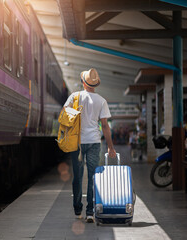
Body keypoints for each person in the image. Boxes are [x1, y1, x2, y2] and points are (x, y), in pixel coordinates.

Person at [63, 68, 116, 223]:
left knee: (77, 177)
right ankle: (90, 212)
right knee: (93, 177)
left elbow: (65, 116)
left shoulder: (74, 97)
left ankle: (77, 210)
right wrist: (110, 147)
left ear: (83, 82)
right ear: (95, 84)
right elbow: (105, 126)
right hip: (94, 142)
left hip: (77, 143)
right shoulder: (101, 100)